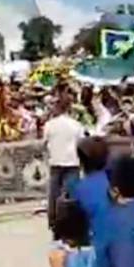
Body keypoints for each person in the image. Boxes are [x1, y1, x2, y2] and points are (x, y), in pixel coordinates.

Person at [44, 98, 86, 232]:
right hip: (72, 161)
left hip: (55, 160)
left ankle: (53, 220)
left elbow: (44, 142)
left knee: (54, 193)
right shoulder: (76, 125)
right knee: (72, 192)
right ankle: (72, 219)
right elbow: (82, 142)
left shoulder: (50, 125)